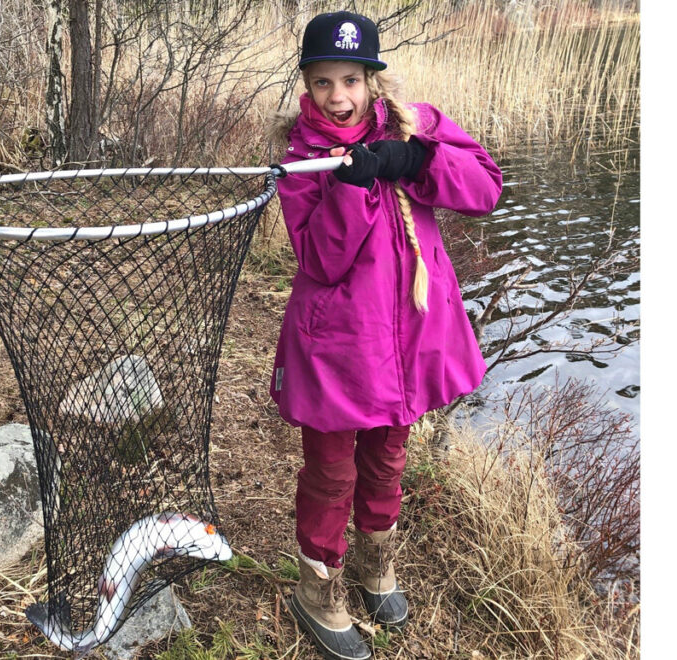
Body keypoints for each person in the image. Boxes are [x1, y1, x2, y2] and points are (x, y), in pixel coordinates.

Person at [268, 10, 503, 660]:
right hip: (338, 352)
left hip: (406, 344)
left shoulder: (415, 123)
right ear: (305, 88)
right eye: (322, 82)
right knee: (331, 472)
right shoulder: (302, 164)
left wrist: (417, 160)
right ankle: (317, 587)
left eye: (350, 79)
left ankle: (376, 564)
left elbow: (485, 188)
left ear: (372, 79)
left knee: (389, 457)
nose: (338, 96)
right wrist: (349, 186)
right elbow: (321, 260)